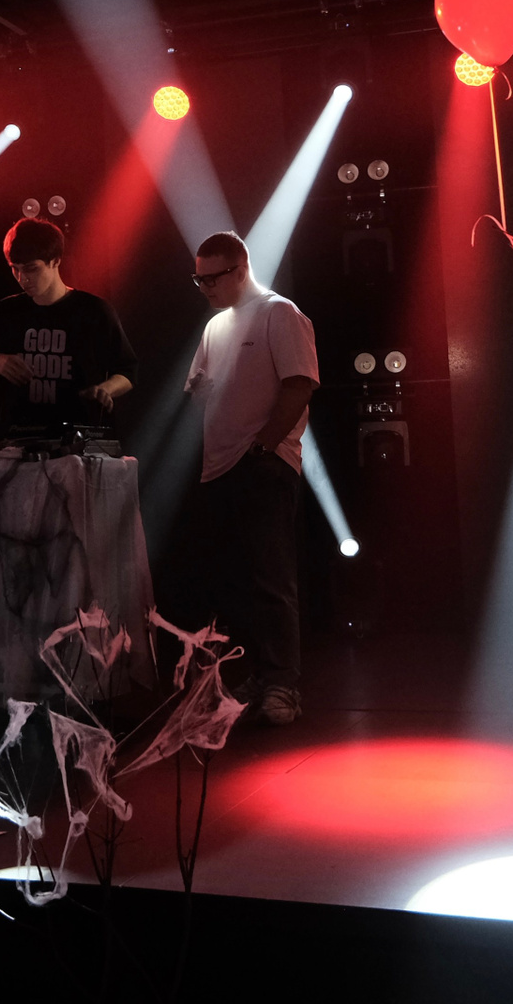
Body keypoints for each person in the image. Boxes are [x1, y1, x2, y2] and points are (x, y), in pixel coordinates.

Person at [185, 230, 318, 725]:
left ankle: (282, 683)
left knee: (270, 578)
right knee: (237, 581)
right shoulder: (216, 326)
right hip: (221, 467)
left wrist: (263, 447)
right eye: (199, 280)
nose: (205, 287)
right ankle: (260, 677)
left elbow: (300, 384)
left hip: (262, 465)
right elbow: (199, 391)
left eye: (212, 279)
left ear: (240, 269)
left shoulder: (278, 313)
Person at [0, 218, 136, 430]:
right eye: (15, 269)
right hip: (16, 437)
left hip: (78, 436)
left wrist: (106, 389)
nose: (22, 278)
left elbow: (128, 371)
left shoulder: (94, 311)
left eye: (31, 268)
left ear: (55, 261)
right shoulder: (6, 311)